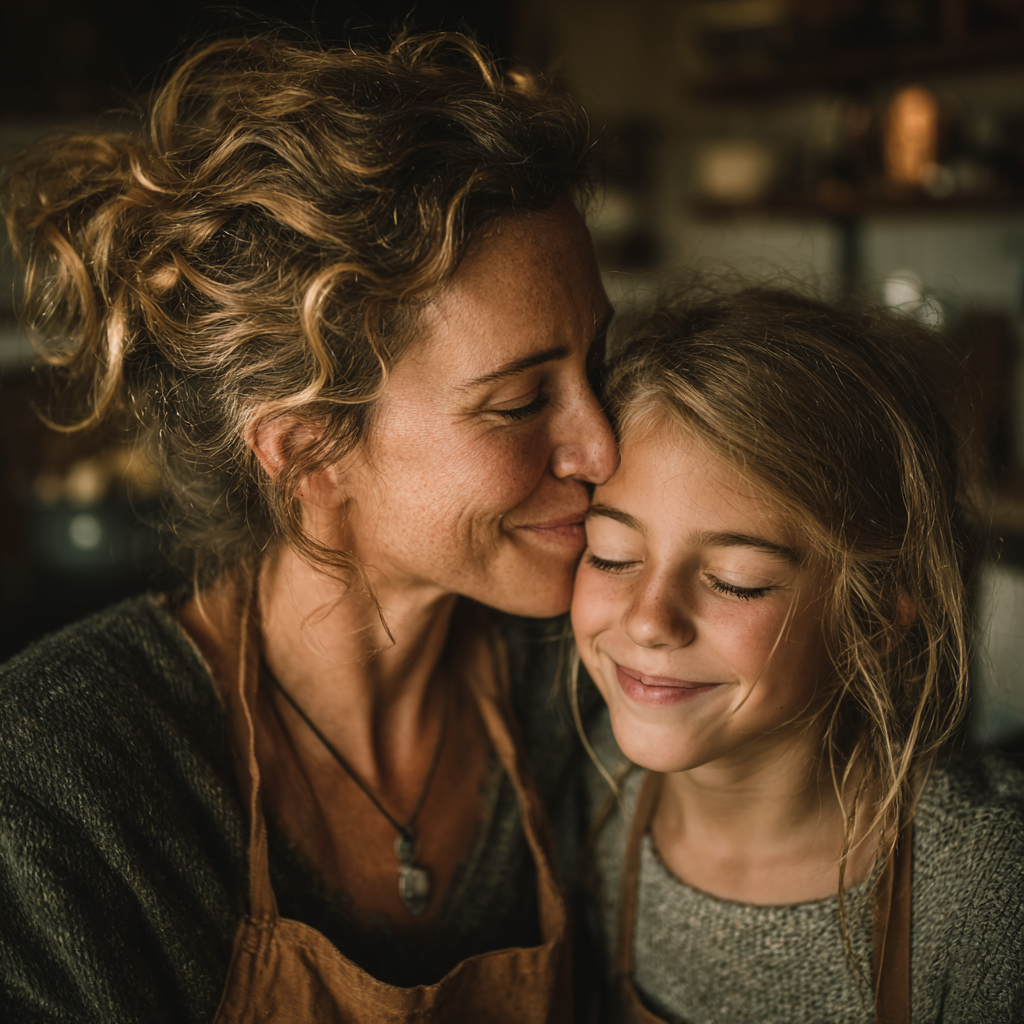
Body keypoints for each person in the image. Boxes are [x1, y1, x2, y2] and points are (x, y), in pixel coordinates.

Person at [0, 30, 619, 1024]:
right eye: (516, 403)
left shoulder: (596, 681)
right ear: (306, 453)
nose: (599, 448)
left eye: (599, 367)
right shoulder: (62, 782)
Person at [572, 287, 1024, 1023]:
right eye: (612, 555)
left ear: (874, 616)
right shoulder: (592, 796)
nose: (650, 621)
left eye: (736, 583)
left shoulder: (986, 887)